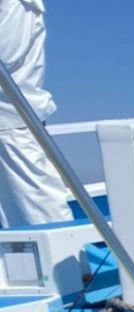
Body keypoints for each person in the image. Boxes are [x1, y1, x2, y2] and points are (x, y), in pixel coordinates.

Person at [0, 0, 72, 227]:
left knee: (40, 212)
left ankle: (64, 263)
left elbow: (5, 52)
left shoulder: (16, 4)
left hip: (13, 126)